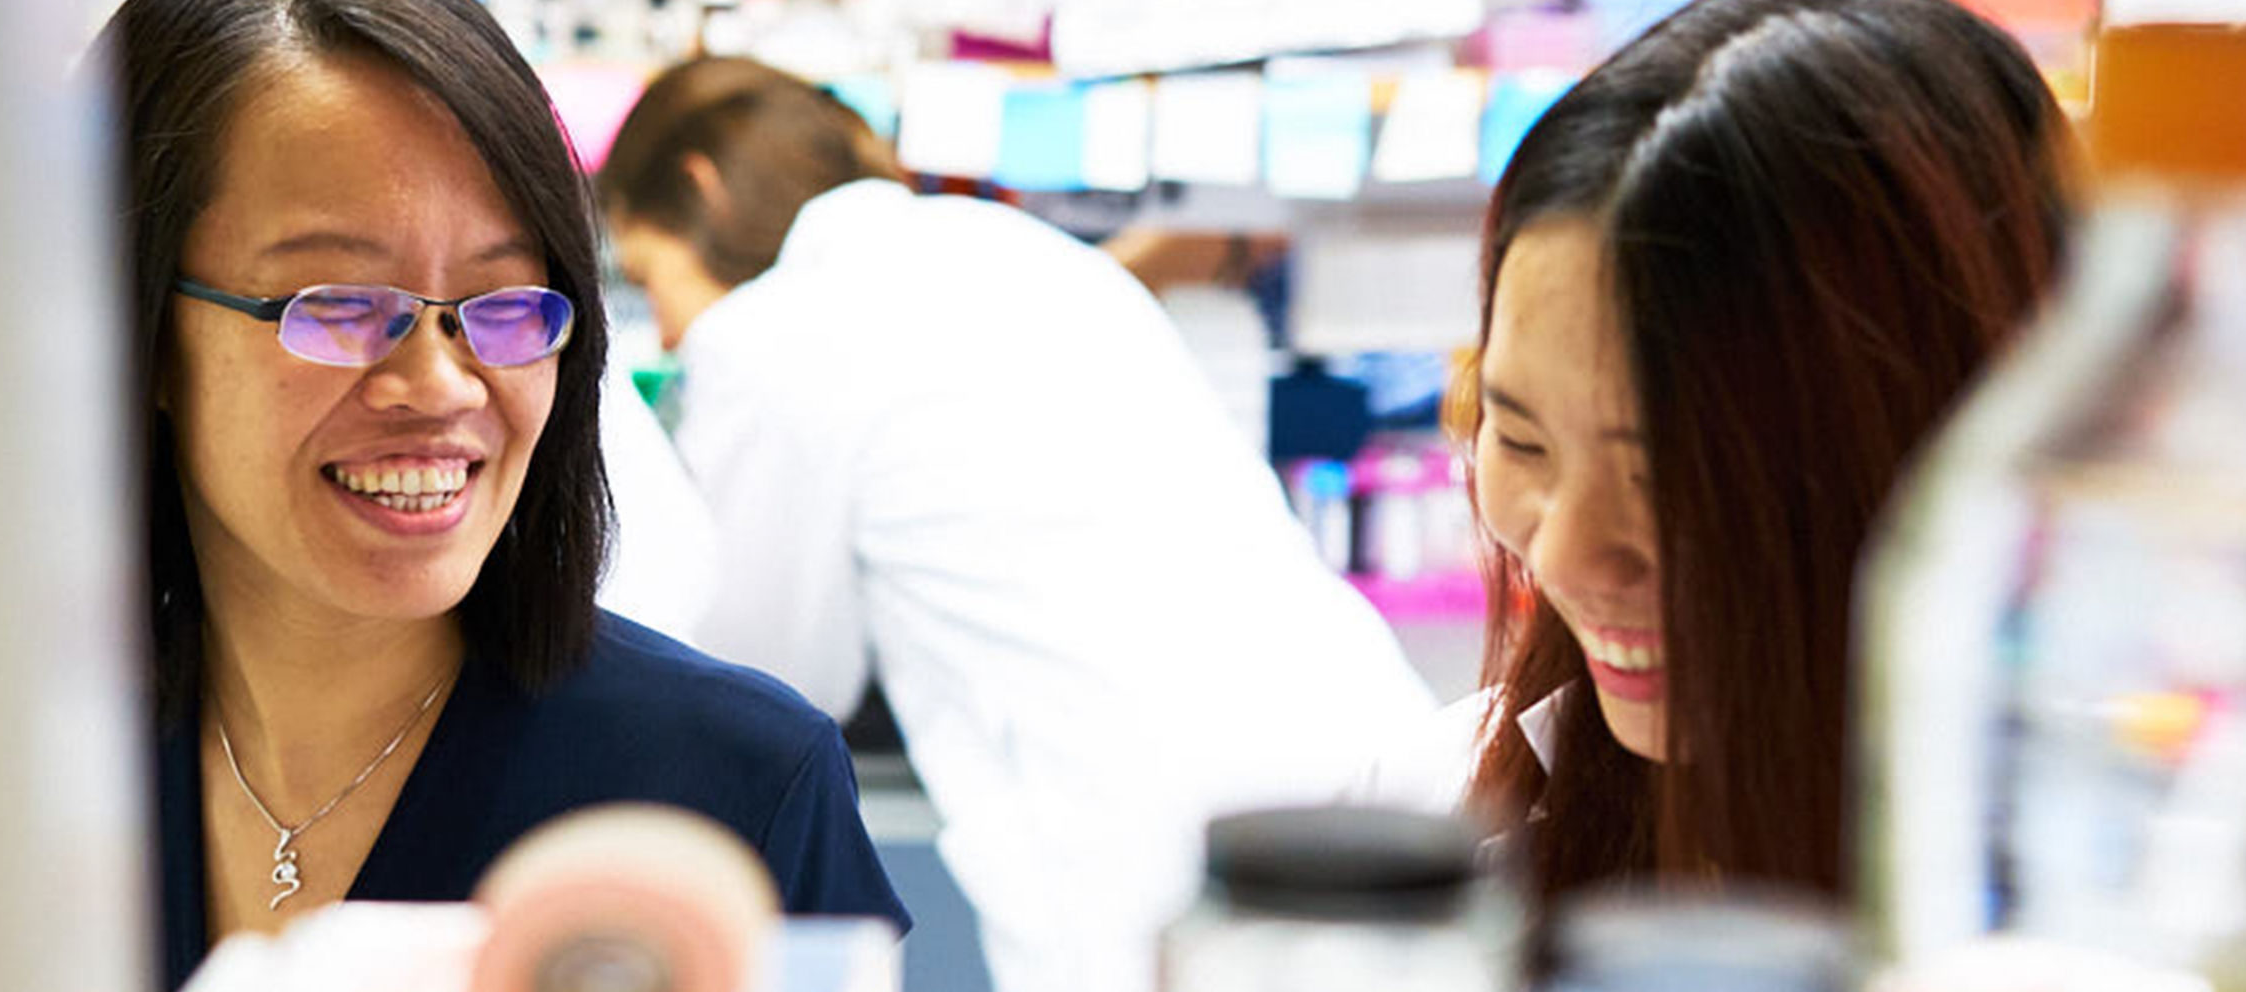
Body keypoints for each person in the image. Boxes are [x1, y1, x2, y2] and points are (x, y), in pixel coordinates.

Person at [94, 2, 907, 986]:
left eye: (504, 304)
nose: (443, 385)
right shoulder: (29, 769)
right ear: (139, 324)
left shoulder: (734, 787)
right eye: (341, 304)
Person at [595, 57, 1437, 992]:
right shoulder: (1021, 251)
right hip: (1370, 762)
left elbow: (769, 682)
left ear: (700, 187)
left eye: (645, 274)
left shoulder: (767, 331)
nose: (665, 332)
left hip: (1146, 849)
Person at [1353, 0, 2073, 913]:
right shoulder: (1439, 816)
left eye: (1670, 476)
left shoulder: (2114, 919)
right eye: (1524, 438)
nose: (1570, 555)